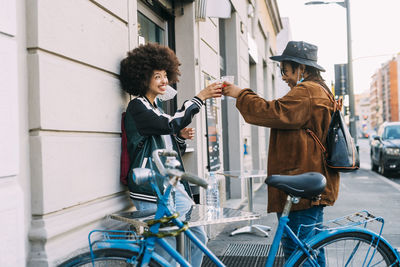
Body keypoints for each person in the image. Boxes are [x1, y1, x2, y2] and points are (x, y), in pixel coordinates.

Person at [222, 41, 340, 265]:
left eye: (285, 70)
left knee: (299, 249)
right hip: (310, 178)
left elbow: (272, 112)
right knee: (309, 247)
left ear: (301, 68)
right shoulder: (320, 89)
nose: (284, 76)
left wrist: (240, 94)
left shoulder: (307, 91)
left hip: (303, 179)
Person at [119, 42, 221, 267]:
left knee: (197, 237)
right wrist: (200, 97)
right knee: (167, 249)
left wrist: (180, 138)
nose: (164, 81)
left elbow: (169, 148)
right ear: (142, 78)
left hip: (173, 187)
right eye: (157, 76)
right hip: (153, 190)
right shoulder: (138, 107)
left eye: (165, 75)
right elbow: (171, 123)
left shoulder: (156, 109)